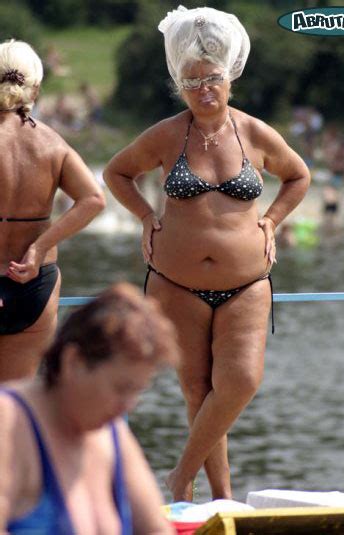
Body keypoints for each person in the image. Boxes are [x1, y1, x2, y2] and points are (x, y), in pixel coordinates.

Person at [104, 5, 311, 502]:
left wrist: (270, 220)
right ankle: (221, 500)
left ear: (229, 77)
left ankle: (179, 478)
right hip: (175, 282)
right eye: (191, 81)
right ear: (180, 85)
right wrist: (146, 218)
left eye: (211, 78)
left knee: (240, 381)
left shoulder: (255, 133)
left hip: (247, 284)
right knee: (197, 392)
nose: (203, 89)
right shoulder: (167, 134)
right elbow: (116, 173)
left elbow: (299, 175)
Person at [0, 282, 178, 534]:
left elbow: (157, 530)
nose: (127, 406)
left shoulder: (112, 429)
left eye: (136, 392)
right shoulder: (8, 419)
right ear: (73, 361)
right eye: (120, 388)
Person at [0, 40, 105, 381]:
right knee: (16, 408)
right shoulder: (51, 144)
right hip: (33, 283)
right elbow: (93, 199)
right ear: (37, 88)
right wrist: (40, 246)